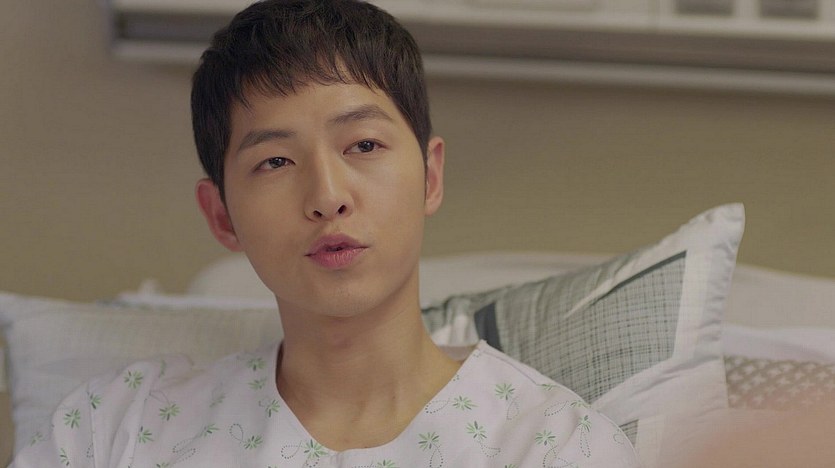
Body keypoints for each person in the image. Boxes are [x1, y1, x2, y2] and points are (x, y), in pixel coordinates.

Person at [10, 1, 639, 466]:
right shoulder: (114, 429)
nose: (327, 196)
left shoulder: (554, 446)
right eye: (275, 161)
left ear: (430, 176)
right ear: (222, 215)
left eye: (363, 145)